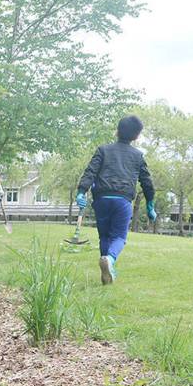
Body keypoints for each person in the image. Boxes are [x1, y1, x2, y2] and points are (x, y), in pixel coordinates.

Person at [76, 115, 156, 285]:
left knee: (104, 236)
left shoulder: (103, 150)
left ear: (117, 131)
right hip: (122, 200)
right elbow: (147, 182)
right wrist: (150, 205)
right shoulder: (138, 156)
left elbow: (90, 171)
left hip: (102, 199)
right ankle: (110, 260)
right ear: (136, 136)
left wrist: (81, 192)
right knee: (119, 237)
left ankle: (107, 272)